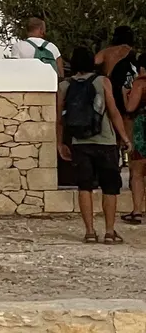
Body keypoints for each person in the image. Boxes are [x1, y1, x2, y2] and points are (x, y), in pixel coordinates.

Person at [57, 45, 131, 243]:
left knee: (84, 187)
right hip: (105, 142)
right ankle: (109, 231)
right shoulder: (102, 81)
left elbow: (59, 119)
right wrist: (124, 138)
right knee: (110, 187)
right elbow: (114, 111)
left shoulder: (65, 86)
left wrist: (60, 143)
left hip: (79, 142)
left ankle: (89, 231)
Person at [122, 69, 146, 227]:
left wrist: (125, 94)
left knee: (138, 172)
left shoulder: (141, 83)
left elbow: (130, 108)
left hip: (142, 128)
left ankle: (137, 211)